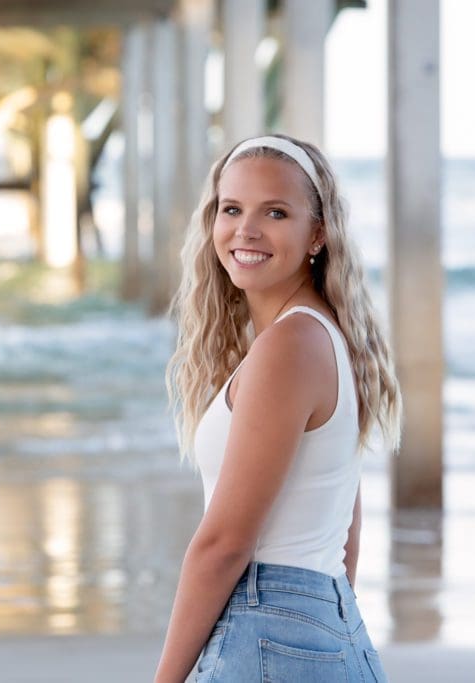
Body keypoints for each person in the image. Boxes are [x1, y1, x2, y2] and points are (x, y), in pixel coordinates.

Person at [156, 134, 402, 682]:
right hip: (321, 630)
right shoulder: (323, 337)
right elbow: (347, 526)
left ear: (317, 234)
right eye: (231, 208)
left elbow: (223, 544)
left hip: (265, 633)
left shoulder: (289, 346)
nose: (245, 229)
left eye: (275, 212)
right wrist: (318, 632)